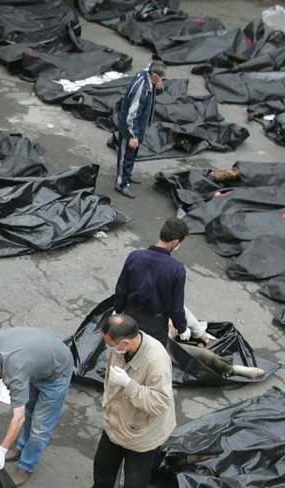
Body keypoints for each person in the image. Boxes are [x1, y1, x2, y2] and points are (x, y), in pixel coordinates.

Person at [71, 315, 176, 488]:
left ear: (125, 342)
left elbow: (159, 403)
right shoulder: (119, 350)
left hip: (142, 434)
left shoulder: (155, 361)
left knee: (134, 484)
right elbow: (110, 380)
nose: (107, 347)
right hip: (116, 423)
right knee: (103, 466)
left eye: (109, 342)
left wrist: (129, 385)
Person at [0, 327, 74, 485]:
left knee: (40, 428)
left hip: (57, 372)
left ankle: (26, 467)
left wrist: (2, 449)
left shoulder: (15, 375)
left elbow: (18, 418)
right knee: (29, 407)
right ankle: (21, 447)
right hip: (39, 358)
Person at [114, 216, 189, 341]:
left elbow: (121, 289)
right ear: (175, 242)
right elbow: (176, 307)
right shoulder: (176, 269)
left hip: (129, 316)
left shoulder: (134, 256)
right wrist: (182, 329)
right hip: (155, 325)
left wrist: (117, 310)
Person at [114, 61, 167, 198]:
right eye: (162, 78)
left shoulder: (147, 77)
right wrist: (133, 135)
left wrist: (159, 88)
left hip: (137, 127)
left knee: (131, 155)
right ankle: (121, 183)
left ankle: (126, 176)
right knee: (125, 156)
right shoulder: (141, 90)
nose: (162, 81)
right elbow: (132, 115)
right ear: (154, 76)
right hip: (129, 129)